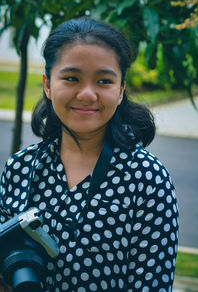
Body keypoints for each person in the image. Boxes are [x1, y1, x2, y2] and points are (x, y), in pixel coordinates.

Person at [0, 17, 179, 292]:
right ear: (48, 85)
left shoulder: (147, 179)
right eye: (71, 78)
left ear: (120, 90)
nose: (87, 94)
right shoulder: (20, 168)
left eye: (104, 81)